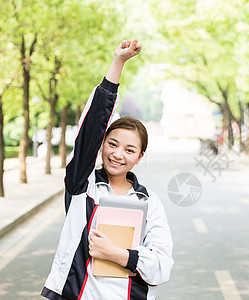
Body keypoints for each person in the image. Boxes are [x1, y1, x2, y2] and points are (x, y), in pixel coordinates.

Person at [41, 39, 174, 300]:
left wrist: (115, 254)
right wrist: (118, 62)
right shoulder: (83, 187)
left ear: (140, 157)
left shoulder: (149, 203)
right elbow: (91, 128)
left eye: (129, 150)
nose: (118, 154)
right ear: (101, 145)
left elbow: (161, 265)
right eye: (112, 144)